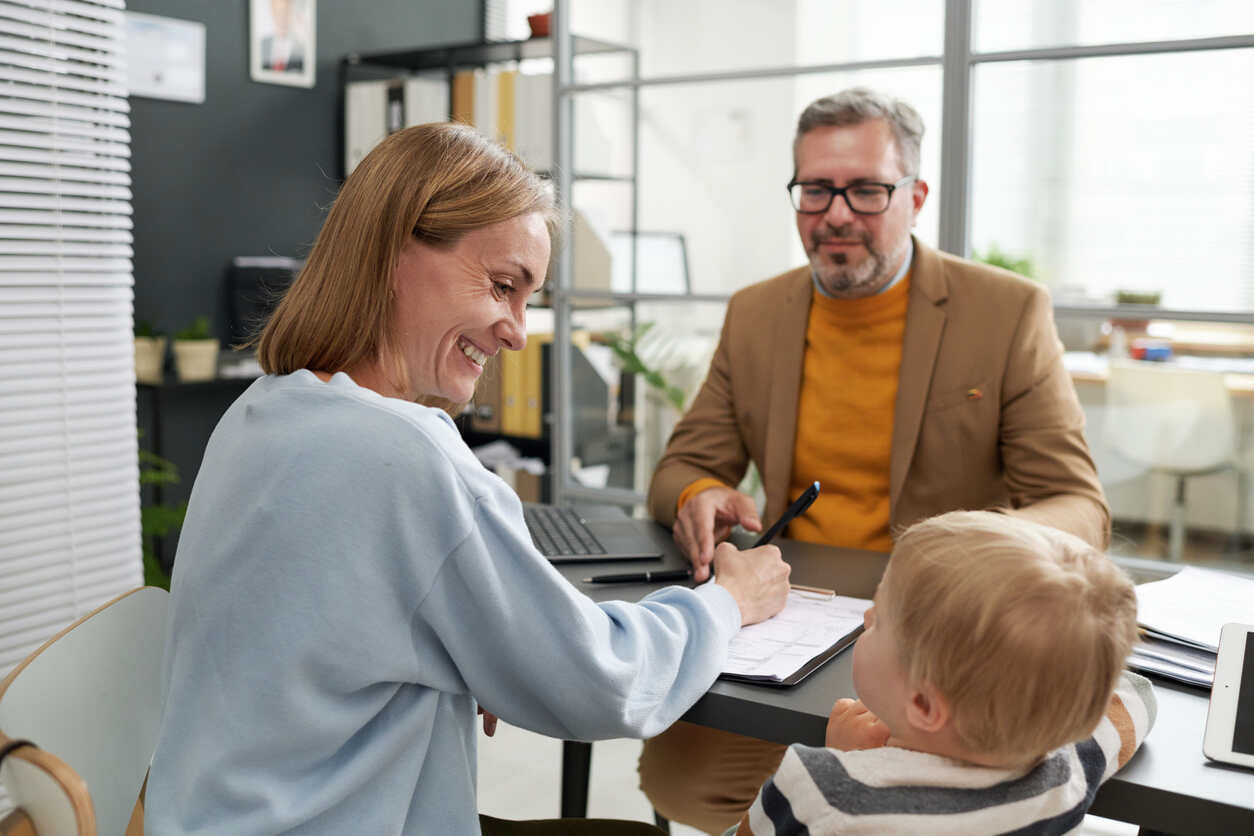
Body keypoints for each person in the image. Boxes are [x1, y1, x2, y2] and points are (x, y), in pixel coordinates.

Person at [145, 123, 792, 835]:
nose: (517, 330)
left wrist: (462, 650)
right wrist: (730, 600)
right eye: (501, 285)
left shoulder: (261, 410)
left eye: (528, 298)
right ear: (394, 252)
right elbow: (602, 682)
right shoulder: (405, 454)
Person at [639, 87, 1111, 832]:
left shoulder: (1006, 311)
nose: (836, 213)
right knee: (677, 782)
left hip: (926, 642)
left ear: (915, 196)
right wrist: (700, 491)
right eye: (816, 190)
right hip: (788, 623)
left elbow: (1078, 504)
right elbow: (680, 466)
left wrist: (969, 564)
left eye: (866, 190)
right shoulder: (757, 313)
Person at [732, 510, 1156, 835]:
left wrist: (845, 760)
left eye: (882, 620)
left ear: (923, 704)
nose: (866, 616)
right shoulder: (1067, 771)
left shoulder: (822, 790)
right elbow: (1137, 696)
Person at [260, 0, 306, 73]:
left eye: (285, 12)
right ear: (272, 12)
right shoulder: (262, 45)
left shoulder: (302, 48)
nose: (282, 18)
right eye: (278, 13)